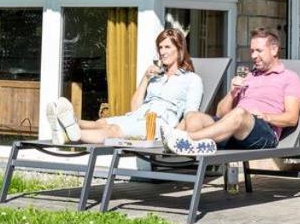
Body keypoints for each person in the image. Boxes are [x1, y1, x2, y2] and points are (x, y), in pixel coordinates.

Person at [46, 27, 203, 145]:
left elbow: (191, 116)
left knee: (113, 131)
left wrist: (174, 137)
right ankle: (66, 121)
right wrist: (145, 79)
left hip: (158, 124)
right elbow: (134, 108)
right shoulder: (156, 78)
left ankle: (68, 134)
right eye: (160, 47)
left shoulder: (192, 79)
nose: (162, 52)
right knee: (101, 123)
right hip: (138, 117)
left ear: (180, 49)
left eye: (167, 47)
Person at [158, 27, 300, 156]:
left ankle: (187, 139)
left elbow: (292, 118)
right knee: (193, 116)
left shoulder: (290, 78)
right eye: (252, 51)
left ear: (274, 49)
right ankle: (191, 159)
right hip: (233, 131)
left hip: (263, 133)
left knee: (240, 113)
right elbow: (220, 114)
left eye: (259, 51)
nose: (253, 56)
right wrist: (232, 93)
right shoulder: (249, 76)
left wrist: (265, 117)